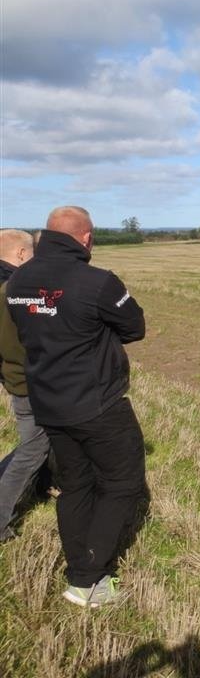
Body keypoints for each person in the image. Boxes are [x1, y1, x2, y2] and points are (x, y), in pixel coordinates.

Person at [5, 207, 146, 608]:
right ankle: (87, 579)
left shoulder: (19, 280)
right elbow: (134, 328)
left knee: (75, 485)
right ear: (86, 238)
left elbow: (24, 327)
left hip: (47, 402)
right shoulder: (97, 282)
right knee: (123, 482)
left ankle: (78, 571)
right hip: (97, 403)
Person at [0, 228, 51, 543]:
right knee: (33, 448)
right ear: (21, 254)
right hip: (28, 381)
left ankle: (44, 487)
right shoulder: (14, 288)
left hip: (16, 378)